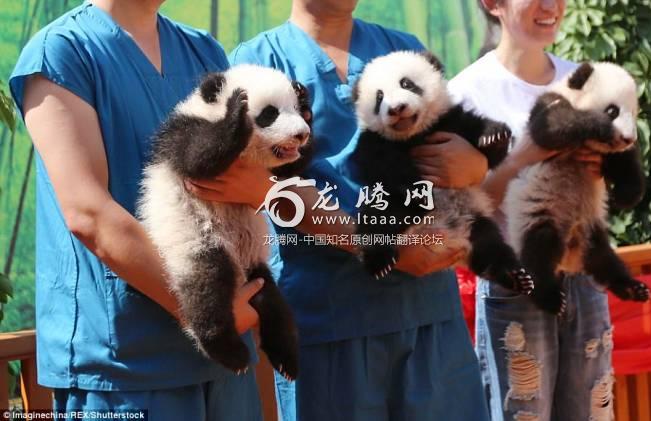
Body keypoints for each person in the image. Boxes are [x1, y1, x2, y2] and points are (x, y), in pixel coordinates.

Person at [184, 0, 489, 419]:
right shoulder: (255, 65)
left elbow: (459, 139)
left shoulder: (402, 50)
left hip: (430, 314)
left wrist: (475, 164)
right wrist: (385, 247)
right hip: (330, 323)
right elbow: (252, 185)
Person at [10, 1, 265, 419]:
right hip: (124, 361)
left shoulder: (203, 51)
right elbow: (88, 213)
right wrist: (210, 314)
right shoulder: (62, 52)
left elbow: (242, 177)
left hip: (222, 358)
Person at [448, 0, 614, 420]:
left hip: (585, 276)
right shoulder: (465, 94)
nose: (549, 6)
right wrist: (525, 157)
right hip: (516, 283)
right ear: (493, 4)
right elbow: (464, 210)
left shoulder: (585, 80)